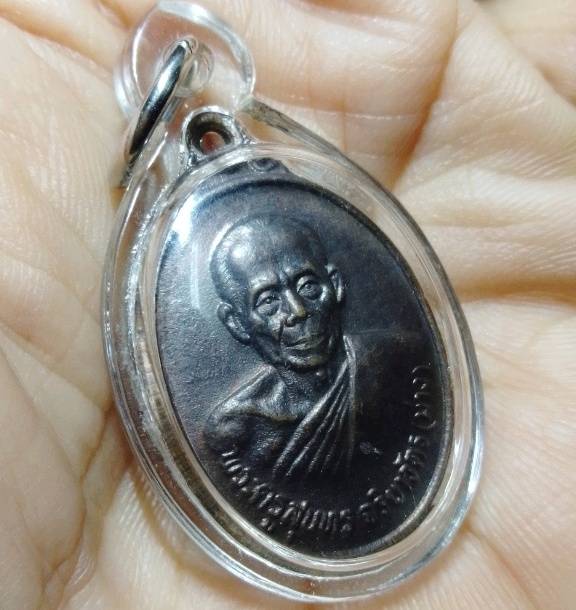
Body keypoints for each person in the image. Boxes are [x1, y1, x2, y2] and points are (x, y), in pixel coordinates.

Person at [1, 0, 574, 608]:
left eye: (305, 287)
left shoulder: (397, 361)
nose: (295, 315)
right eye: (267, 302)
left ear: (336, 286)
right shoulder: (234, 430)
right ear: (237, 325)